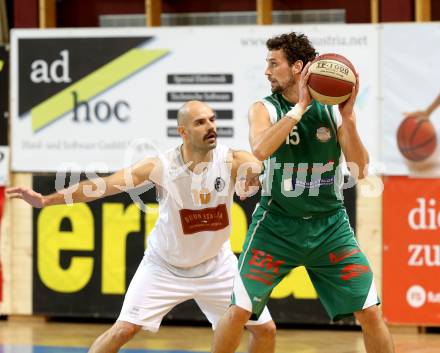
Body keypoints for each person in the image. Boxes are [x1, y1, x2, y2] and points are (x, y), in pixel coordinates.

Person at [7, 100, 276, 353]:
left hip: (217, 266)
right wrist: (45, 201)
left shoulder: (230, 160)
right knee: (123, 329)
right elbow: (101, 187)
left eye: (212, 120)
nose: (211, 127)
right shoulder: (161, 166)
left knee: (265, 330)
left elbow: (257, 166)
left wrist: (253, 178)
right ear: (182, 131)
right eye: (200, 123)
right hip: (165, 266)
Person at [212, 32, 395, 353]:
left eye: (273, 63)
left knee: (371, 311)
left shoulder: (334, 111)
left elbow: (359, 170)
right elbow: (260, 149)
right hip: (276, 227)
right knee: (239, 310)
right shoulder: (264, 108)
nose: (267, 71)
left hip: (329, 228)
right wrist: (298, 108)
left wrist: (349, 118)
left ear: (298, 67)